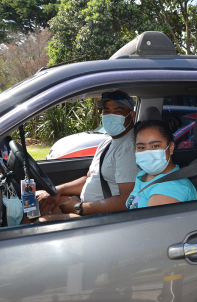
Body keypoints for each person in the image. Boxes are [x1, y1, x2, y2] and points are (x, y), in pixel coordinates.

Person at [35, 90, 140, 221]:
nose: (110, 116)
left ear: (131, 115)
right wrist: (58, 190)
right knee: (36, 200)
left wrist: (79, 207)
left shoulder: (128, 148)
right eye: (106, 111)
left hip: (101, 217)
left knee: (38, 223)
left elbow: (126, 200)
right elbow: (88, 178)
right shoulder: (108, 141)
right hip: (85, 206)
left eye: (117, 112)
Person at [126, 118, 197, 209]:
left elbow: (151, 222)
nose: (148, 152)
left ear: (171, 147)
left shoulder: (171, 188)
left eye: (155, 146)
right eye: (141, 147)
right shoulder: (143, 175)